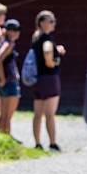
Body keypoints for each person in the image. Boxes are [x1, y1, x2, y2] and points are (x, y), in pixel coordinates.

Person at [31, 10, 65, 151]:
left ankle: (37, 143)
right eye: (50, 21)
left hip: (38, 79)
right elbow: (47, 53)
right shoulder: (47, 39)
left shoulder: (36, 37)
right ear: (42, 23)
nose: (53, 24)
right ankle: (52, 142)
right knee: (50, 113)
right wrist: (54, 61)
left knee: (37, 113)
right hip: (50, 78)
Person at [0, 19, 21, 135]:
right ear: (7, 31)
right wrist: (3, 78)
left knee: (3, 115)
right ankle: (6, 139)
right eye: (12, 30)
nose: (15, 32)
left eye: (17, 30)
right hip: (9, 82)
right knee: (7, 116)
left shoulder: (3, 42)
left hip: (6, 82)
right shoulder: (8, 44)